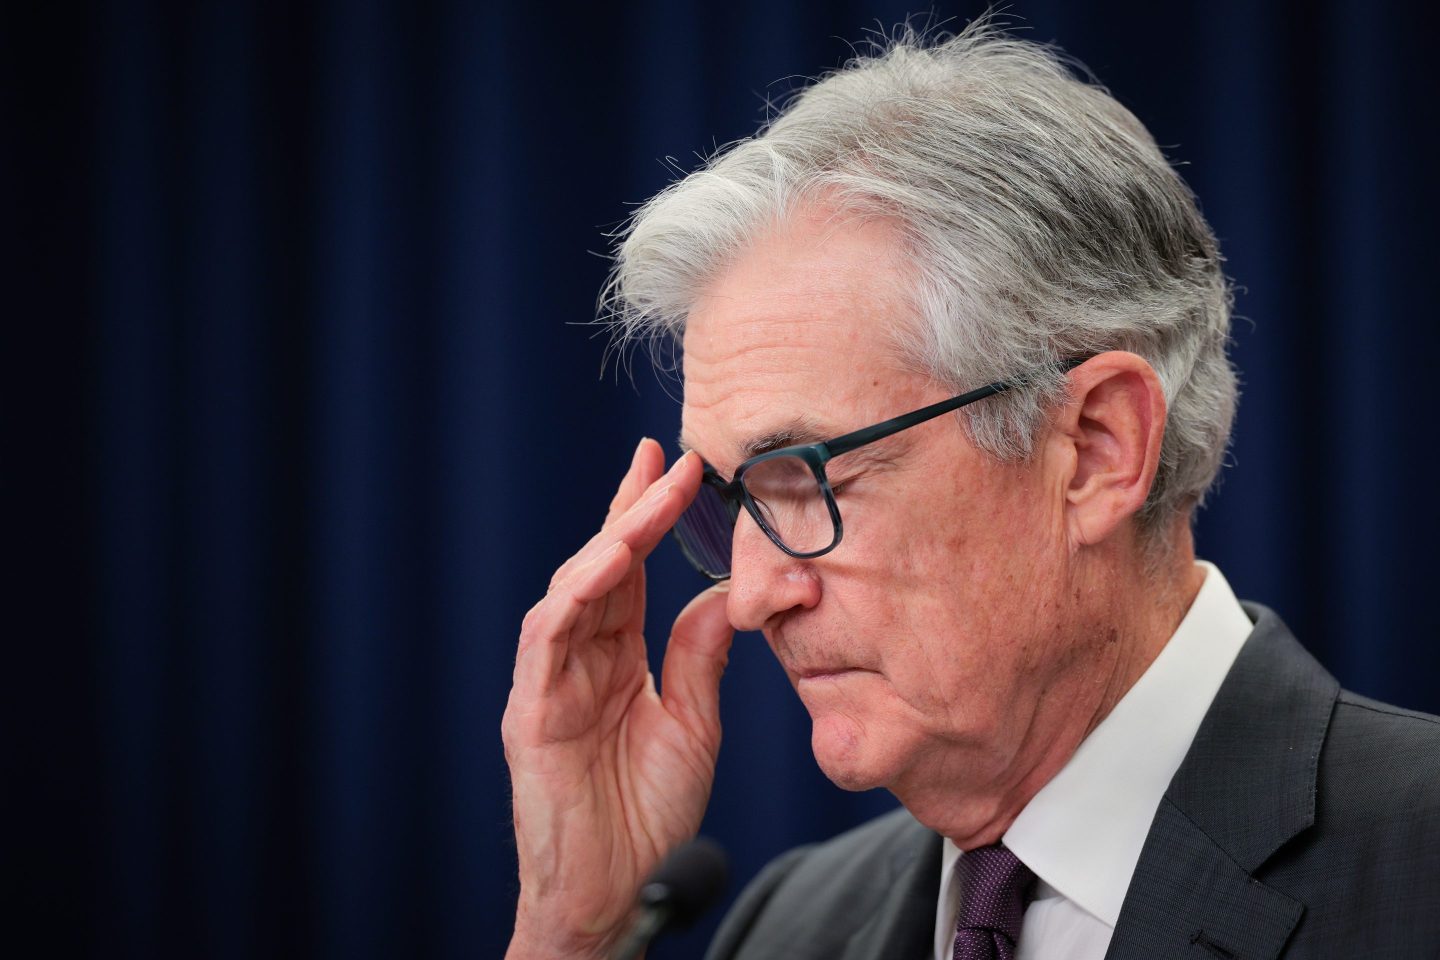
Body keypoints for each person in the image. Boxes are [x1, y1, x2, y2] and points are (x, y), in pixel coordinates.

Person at [502, 22, 1440, 960]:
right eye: (732, 501)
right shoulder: (787, 929)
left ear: (1096, 448)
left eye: (807, 477)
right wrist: (570, 931)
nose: (749, 598)